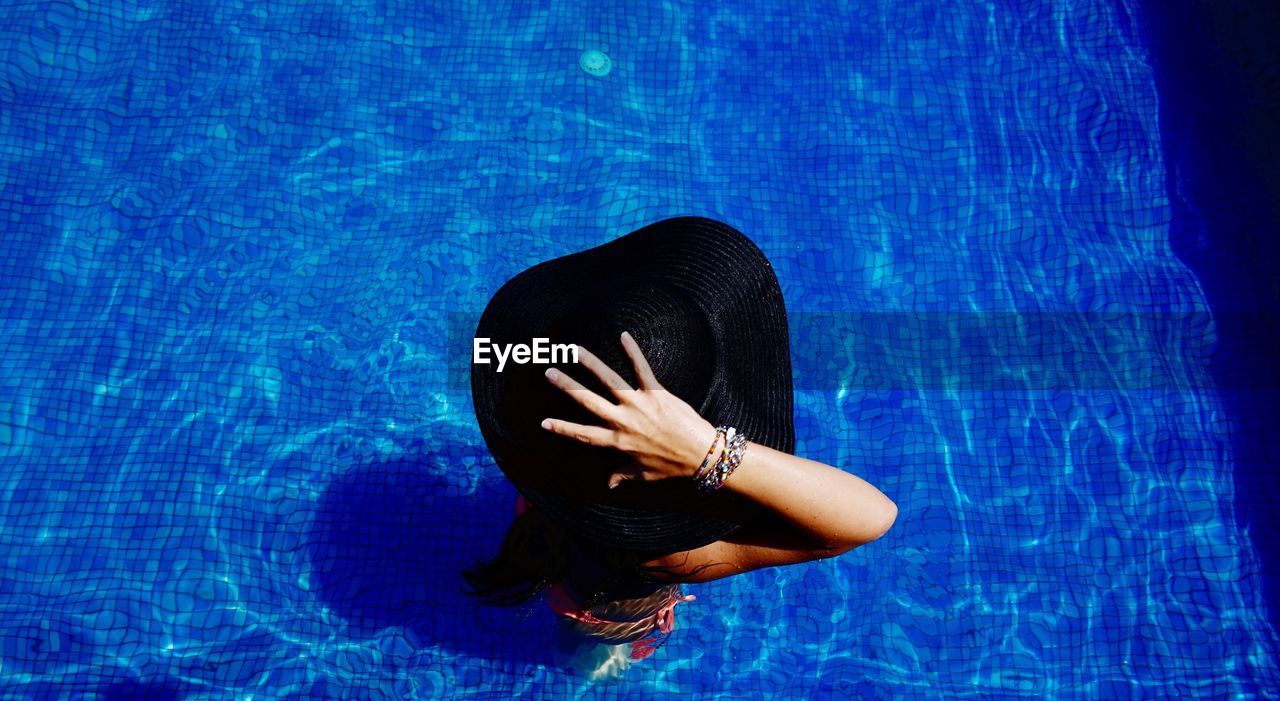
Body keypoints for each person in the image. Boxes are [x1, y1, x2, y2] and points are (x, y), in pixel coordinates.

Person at [462, 216, 897, 668]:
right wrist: (707, 452)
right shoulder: (666, 558)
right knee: (605, 631)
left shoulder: (527, 423)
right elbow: (872, 516)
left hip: (548, 528)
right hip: (605, 602)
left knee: (569, 594)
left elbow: (489, 351)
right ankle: (602, 647)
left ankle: (575, 626)